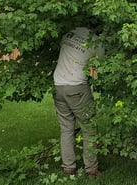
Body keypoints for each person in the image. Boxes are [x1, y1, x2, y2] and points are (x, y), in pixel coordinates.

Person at [53, 24, 104, 177]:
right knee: (89, 128)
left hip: (58, 85)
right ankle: (92, 169)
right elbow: (99, 65)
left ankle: (68, 168)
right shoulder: (96, 41)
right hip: (77, 87)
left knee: (66, 129)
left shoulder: (69, 34)